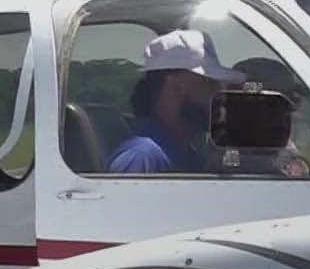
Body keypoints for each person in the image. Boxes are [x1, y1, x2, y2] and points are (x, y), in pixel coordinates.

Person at [106, 28, 247, 174]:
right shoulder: (142, 156)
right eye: (209, 84)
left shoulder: (185, 150)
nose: (218, 95)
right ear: (175, 87)